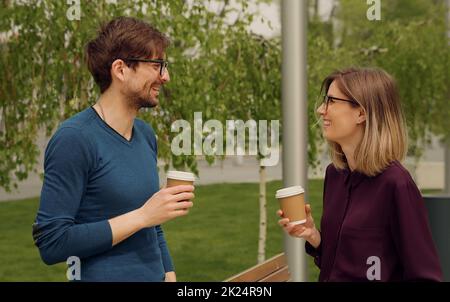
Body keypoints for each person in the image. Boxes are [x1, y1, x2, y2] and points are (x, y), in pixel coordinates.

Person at [32, 17, 194, 282]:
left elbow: (153, 225)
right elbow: (52, 242)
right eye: (157, 66)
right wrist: (142, 216)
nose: (165, 77)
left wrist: (169, 272)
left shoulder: (145, 134)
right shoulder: (74, 140)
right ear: (120, 69)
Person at [277, 67, 443, 281]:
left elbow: (426, 276)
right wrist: (313, 236)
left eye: (331, 101)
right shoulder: (335, 175)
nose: (321, 110)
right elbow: (343, 264)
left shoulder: (396, 184)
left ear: (362, 113)